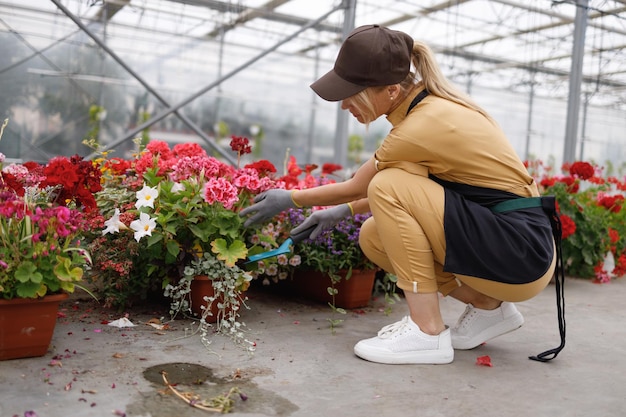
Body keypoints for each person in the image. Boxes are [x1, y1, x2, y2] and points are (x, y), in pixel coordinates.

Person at [240, 24, 564, 365]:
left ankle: (427, 333)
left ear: (392, 90)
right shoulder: (429, 110)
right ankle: (488, 308)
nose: (345, 104)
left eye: (353, 92)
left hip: (520, 252)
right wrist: (342, 212)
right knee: (375, 235)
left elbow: (365, 186)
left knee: (385, 184)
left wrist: (289, 198)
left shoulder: (421, 125)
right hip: (516, 247)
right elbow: (412, 193)